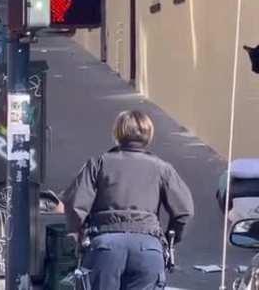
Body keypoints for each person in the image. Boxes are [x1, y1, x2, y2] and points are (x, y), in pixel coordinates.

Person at [63, 110, 194, 290]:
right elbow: (184, 211)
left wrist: (77, 234)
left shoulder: (98, 164)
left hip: (104, 246)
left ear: (117, 133)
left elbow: (74, 204)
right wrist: (171, 239)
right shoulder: (163, 169)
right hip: (148, 248)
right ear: (149, 135)